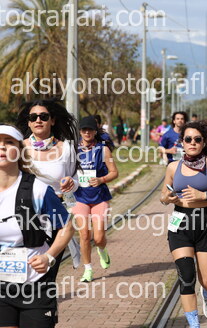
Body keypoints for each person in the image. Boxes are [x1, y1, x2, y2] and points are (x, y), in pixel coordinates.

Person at [0, 125, 74, 328]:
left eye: (9, 142)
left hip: (35, 284)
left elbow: (67, 226)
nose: (2, 147)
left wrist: (48, 257)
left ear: (20, 151)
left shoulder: (38, 189)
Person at [160, 121, 207, 326]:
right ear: (182, 142)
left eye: (197, 139)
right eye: (188, 139)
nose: (193, 143)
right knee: (186, 277)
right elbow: (163, 196)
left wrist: (205, 195)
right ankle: (194, 323)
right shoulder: (173, 167)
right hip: (180, 225)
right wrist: (168, 198)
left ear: (203, 142)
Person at [16, 100, 82, 268]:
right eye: (33, 117)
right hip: (24, 213)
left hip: (55, 214)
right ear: (29, 122)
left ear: (52, 120)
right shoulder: (18, 148)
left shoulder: (66, 148)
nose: (38, 120)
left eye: (44, 116)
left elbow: (76, 179)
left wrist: (71, 183)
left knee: (49, 268)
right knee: (25, 267)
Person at [73, 116, 119, 282]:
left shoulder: (103, 149)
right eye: (84, 129)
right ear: (80, 131)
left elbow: (114, 172)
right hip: (80, 198)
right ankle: (88, 270)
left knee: (98, 237)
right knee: (84, 235)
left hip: (99, 197)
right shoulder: (73, 150)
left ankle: (102, 249)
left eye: (90, 129)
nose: (87, 132)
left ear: (95, 131)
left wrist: (101, 179)